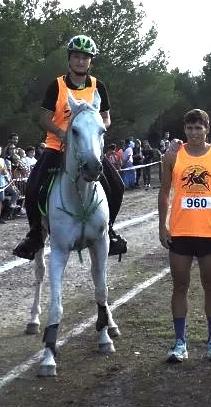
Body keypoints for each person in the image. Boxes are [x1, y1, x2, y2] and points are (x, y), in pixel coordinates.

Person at [14, 35, 128, 260]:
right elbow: (44, 118)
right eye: (76, 56)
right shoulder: (56, 85)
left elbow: (106, 118)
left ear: (90, 62)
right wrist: (61, 133)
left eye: (85, 57)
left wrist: (96, 130)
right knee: (33, 187)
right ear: (69, 59)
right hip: (58, 146)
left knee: (117, 186)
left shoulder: (98, 86)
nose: (80, 61)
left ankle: (110, 229)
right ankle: (35, 234)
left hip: (87, 148)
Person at [157, 109, 211, 363]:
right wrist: (162, 225)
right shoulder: (172, 156)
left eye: (198, 128)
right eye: (189, 128)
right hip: (180, 232)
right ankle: (180, 342)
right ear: (185, 130)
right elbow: (164, 192)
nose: (193, 132)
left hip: (209, 231)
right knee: (180, 287)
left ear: (207, 129)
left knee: (210, 286)